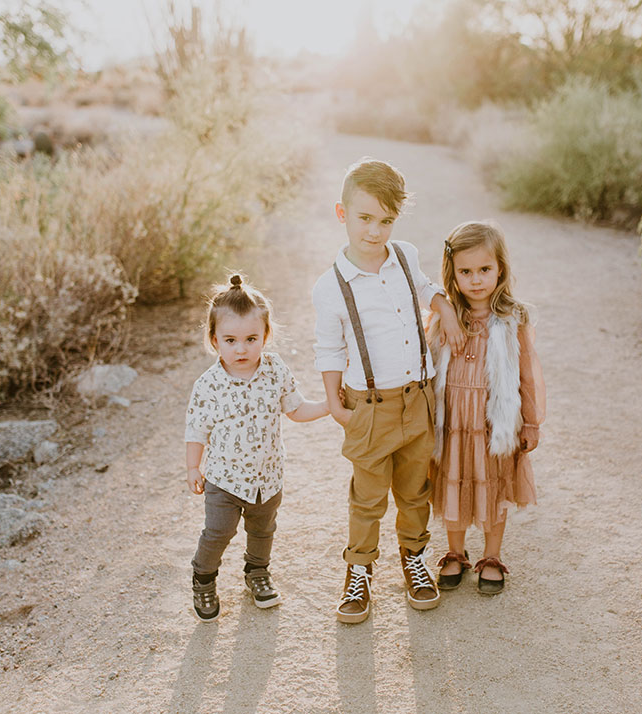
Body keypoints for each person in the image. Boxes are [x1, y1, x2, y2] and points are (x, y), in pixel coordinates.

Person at [312, 157, 465, 624]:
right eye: (364, 218)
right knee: (368, 494)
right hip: (369, 407)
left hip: (416, 399)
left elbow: (423, 286)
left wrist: (444, 304)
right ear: (342, 214)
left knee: (414, 489)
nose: (375, 231)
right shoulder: (330, 286)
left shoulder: (404, 256)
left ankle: (414, 559)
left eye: (385, 221)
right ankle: (358, 570)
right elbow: (328, 347)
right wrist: (337, 404)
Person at [185, 274, 329, 622]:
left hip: (268, 476)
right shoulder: (209, 386)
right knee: (219, 531)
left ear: (265, 336)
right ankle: (204, 578)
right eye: (230, 340)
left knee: (263, 530)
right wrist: (193, 467)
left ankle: (257, 572)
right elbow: (196, 430)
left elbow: (295, 408)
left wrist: (329, 406)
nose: (241, 349)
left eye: (251, 339)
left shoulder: (274, 370)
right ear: (214, 340)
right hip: (225, 481)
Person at [428, 220, 545, 595]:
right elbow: (427, 366)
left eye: (484, 270)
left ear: (500, 269)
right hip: (455, 421)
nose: (476, 280)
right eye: (465, 271)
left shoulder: (514, 318)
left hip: (495, 422)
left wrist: (531, 422)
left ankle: (492, 556)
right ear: (453, 273)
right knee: (453, 481)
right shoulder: (445, 317)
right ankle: (455, 551)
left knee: (493, 485)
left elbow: (528, 374)